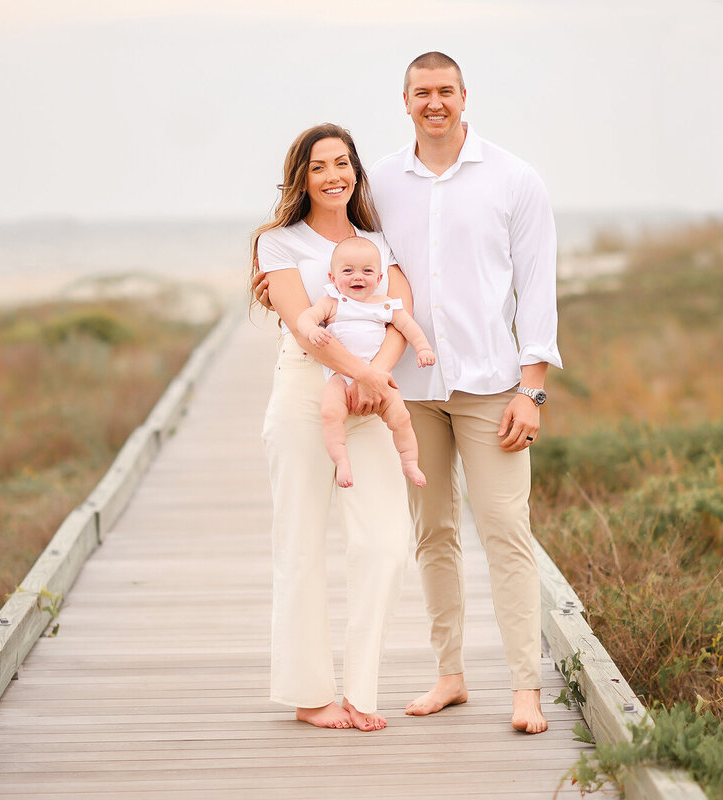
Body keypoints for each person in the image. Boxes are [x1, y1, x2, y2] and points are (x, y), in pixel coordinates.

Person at [369, 51, 562, 734]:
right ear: (405, 100)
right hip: (412, 390)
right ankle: (449, 675)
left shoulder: (514, 178)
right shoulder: (381, 182)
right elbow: (363, 273)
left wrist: (531, 391)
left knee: (507, 530)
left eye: (444, 91)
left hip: (491, 387)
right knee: (434, 533)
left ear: (463, 95)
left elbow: (537, 286)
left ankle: (525, 688)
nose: (434, 103)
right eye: (422, 92)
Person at [251, 123, 413, 732]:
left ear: (356, 171)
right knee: (300, 543)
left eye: (343, 163)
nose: (334, 175)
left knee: (385, 543)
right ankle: (311, 694)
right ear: (302, 177)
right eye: (319, 166)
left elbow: (402, 315)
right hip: (304, 395)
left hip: (371, 398)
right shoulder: (280, 243)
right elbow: (304, 326)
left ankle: (364, 693)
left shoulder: (377, 241)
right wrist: (361, 378)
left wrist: (374, 378)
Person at [297, 236, 436, 489]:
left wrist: (423, 347)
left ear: (380, 279)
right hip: (341, 377)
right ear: (333, 277)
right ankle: (341, 461)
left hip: (379, 376)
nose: (357, 277)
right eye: (348, 271)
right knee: (330, 413)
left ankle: (409, 462)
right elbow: (305, 318)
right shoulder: (331, 302)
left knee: (401, 418)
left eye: (367, 271)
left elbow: (408, 327)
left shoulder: (385, 305)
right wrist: (311, 330)